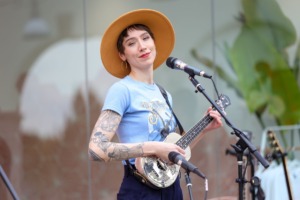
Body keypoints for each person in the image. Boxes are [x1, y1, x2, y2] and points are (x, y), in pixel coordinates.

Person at [88, 8, 223, 200]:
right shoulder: (122, 90)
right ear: (122, 55)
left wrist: (204, 128)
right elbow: (96, 149)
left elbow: (172, 150)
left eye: (145, 38)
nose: (142, 46)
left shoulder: (164, 94)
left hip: (172, 188)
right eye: (131, 43)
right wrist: (153, 148)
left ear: (154, 43)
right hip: (140, 189)